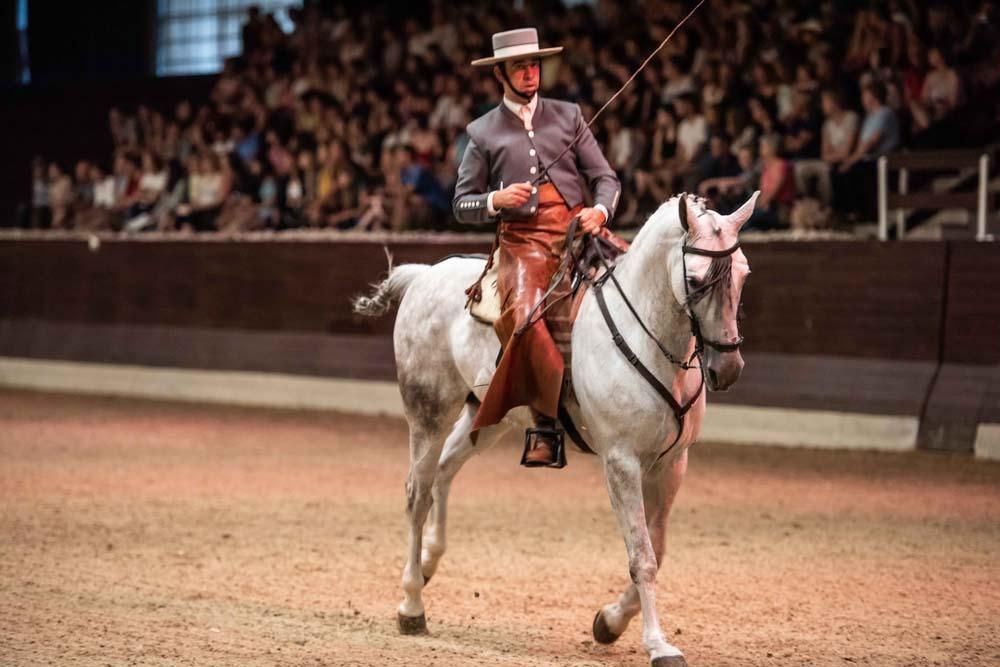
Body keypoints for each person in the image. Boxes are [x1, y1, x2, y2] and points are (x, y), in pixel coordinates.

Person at [453, 28, 628, 467]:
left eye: (534, 65)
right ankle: (546, 424)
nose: (530, 74)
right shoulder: (483, 131)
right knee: (527, 318)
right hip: (523, 244)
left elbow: (606, 179)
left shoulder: (569, 115)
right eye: (519, 67)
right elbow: (461, 203)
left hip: (577, 231)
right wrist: (496, 200)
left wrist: (600, 213)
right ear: (501, 74)